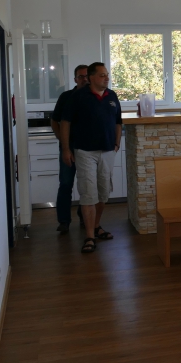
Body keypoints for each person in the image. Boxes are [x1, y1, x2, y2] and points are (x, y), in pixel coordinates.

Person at [61, 62, 122, 253]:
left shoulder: (112, 96)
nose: (107, 78)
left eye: (107, 74)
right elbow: (65, 122)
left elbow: (118, 122)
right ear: (91, 77)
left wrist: (117, 143)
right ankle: (89, 237)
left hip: (107, 151)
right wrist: (66, 149)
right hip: (85, 151)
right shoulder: (78, 96)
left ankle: (96, 226)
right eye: (102, 75)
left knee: (103, 193)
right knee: (88, 193)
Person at [52, 64, 89, 234]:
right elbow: (55, 121)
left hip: (88, 149)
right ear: (75, 79)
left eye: (87, 76)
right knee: (66, 184)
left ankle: (84, 216)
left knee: (86, 185)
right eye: (81, 76)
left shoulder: (94, 97)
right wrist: (63, 141)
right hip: (68, 149)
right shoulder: (66, 97)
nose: (84, 79)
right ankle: (64, 221)